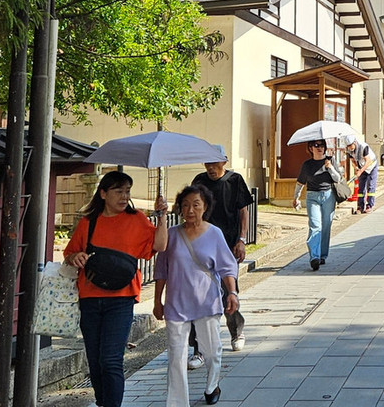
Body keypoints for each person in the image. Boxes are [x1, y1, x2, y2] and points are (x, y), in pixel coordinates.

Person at [64, 171, 169, 407]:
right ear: (103, 193)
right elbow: (69, 254)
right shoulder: (88, 223)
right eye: (118, 191)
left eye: (127, 191)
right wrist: (76, 257)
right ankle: (104, 402)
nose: (124, 196)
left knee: (111, 360)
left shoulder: (137, 219)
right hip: (90, 299)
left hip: (121, 299)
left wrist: (161, 216)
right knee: (96, 362)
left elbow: (160, 245)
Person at [153, 185, 239, 407]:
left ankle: (212, 385)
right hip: (176, 303)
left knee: (211, 352)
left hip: (207, 302)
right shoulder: (171, 235)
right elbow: (161, 271)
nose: (190, 210)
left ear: (205, 207)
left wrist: (232, 292)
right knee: (176, 356)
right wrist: (157, 301)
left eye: (195, 205)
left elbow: (227, 268)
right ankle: (177, 402)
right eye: (185, 205)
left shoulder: (214, 233)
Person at [189, 146, 253, 362]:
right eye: (207, 163)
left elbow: (243, 212)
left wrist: (241, 240)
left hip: (227, 245)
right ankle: (197, 348)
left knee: (228, 291)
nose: (211, 167)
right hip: (202, 246)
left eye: (215, 163)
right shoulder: (199, 181)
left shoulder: (234, 180)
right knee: (198, 295)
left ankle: (236, 332)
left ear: (224, 161)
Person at [292, 139, 342, 270]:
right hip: (312, 197)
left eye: (322, 145)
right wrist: (296, 197)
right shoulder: (307, 165)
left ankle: (322, 255)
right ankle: (314, 256)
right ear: (310, 148)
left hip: (328, 196)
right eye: (316, 145)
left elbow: (338, 179)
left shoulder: (330, 160)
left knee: (326, 226)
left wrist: (330, 168)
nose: (319, 148)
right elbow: (300, 183)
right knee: (315, 225)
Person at [344, 135, 378, 213]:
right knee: (361, 187)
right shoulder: (349, 150)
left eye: (351, 145)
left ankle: (370, 205)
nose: (350, 147)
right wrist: (356, 168)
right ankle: (360, 206)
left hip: (371, 166)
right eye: (348, 146)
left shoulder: (363, 146)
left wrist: (360, 171)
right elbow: (353, 161)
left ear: (355, 142)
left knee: (371, 185)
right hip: (361, 167)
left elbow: (368, 161)